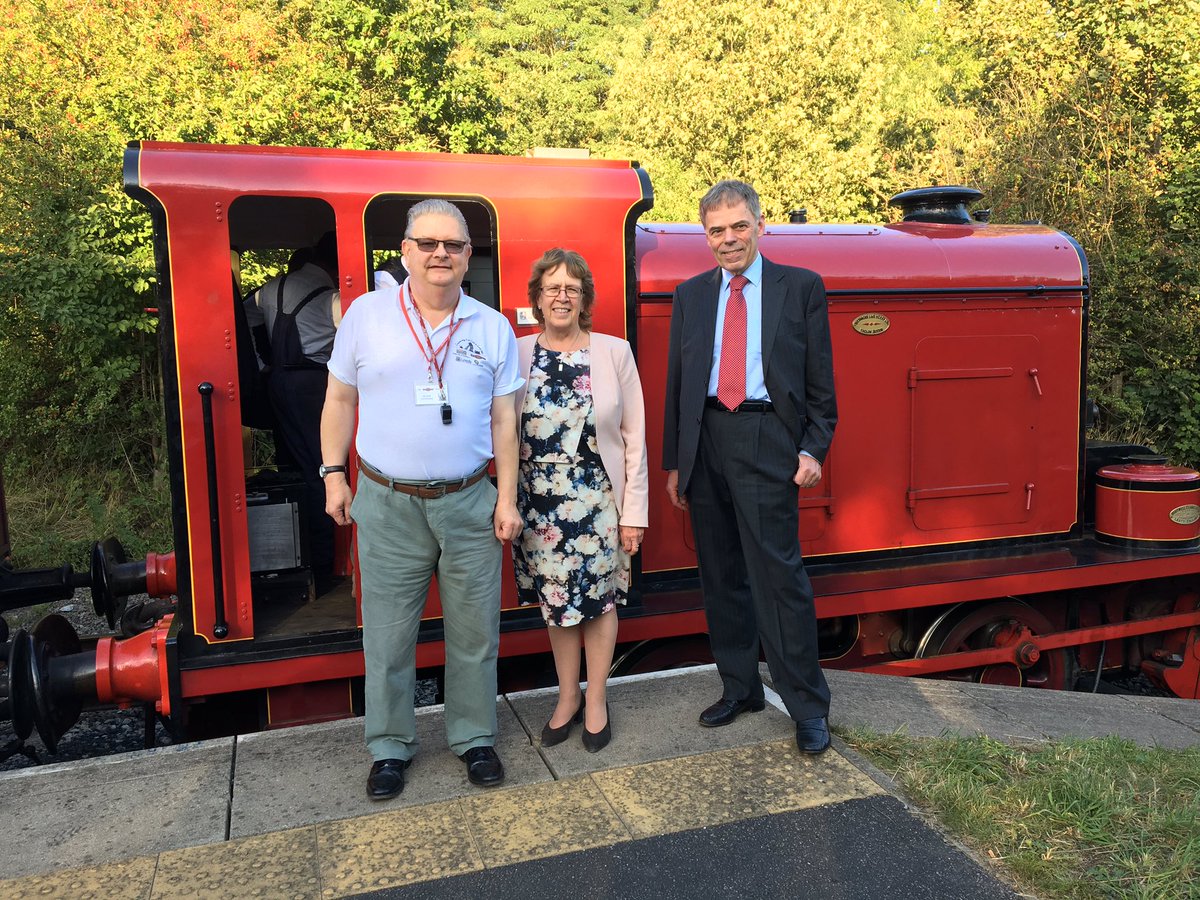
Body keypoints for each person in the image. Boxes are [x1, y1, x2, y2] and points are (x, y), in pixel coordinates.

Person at [321, 199, 523, 800]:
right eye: (428, 243)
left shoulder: (491, 327)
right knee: (386, 635)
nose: (441, 254)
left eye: (454, 245)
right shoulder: (366, 316)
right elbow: (339, 402)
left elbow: (505, 421)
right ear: (405, 251)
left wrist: (505, 498)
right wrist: (335, 474)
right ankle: (389, 747)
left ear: (468, 256)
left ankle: (473, 737)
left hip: (469, 502)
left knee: (474, 631)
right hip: (386, 502)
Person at [662, 180, 837, 755]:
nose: (729, 239)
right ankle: (741, 688)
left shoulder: (802, 287)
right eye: (717, 230)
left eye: (739, 226)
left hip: (767, 437)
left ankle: (808, 707)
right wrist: (674, 463)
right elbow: (680, 386)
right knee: (721, 575)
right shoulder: (690, 295)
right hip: (707, 439)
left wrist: (813, 448)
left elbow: (820, 384)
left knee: (779, 578)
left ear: (759, 225)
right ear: (705, 236)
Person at [513, 249, 648, 753]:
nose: (562, 295)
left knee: (599, 603)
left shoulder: (614, 352)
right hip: (539, 506)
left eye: (572, 287)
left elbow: (635, 437)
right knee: (556, 607)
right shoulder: (520, 353)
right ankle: (567, 697)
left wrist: (634, 513)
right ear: (538, 299)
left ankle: (597, 700)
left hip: (597, 502)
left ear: (585, 297)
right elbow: (501, 429)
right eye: (552, 287)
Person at [244, 233, 341, 594]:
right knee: (326, 470)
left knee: (297, 466)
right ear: (333, 264)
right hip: (314, 386)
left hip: (279, 384)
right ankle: (329, 558)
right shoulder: (332, 296)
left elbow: (244, 314)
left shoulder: (271, 288)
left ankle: (308, 557)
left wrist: (261, 361)